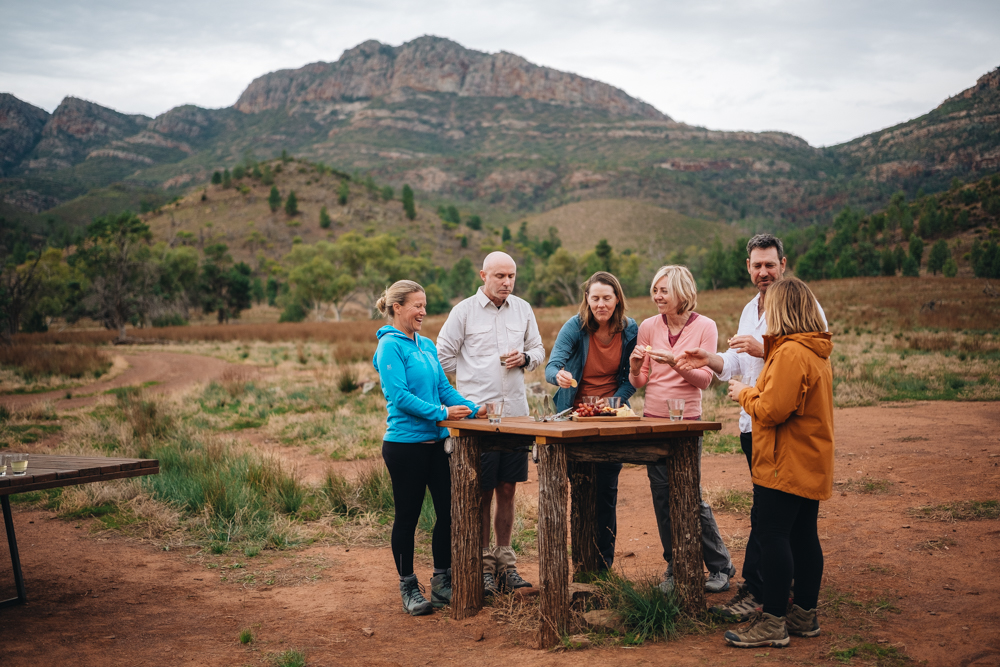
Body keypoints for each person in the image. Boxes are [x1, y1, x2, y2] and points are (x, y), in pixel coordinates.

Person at [674, 233, 827, 620]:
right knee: (775, 515)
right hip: (753, 426)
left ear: (783, 264)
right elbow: (738, 363)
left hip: (780, 425)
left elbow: (811, 350)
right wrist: (710, 358)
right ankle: (780, 591)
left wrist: (767, 349)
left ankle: (764, 593)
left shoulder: (803, 306)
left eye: (770, 265)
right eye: (757, 265)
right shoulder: (748, 309)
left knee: (773, 518)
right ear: (748, 267)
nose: (763, 272)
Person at [721, 277, 834, 648]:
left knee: (773, 535)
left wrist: (744, 393)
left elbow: (771, 409)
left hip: (783, 459)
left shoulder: (789, 354)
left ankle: (773, 622)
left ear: (783, 310)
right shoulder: (814, 350)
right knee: (803, 536)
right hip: (809, 458)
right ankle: (804, 614)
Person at [437, 251, 546, 595]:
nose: (507, 283)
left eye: (511, 276)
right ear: (482, 275)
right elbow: (442, 356)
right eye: (500, 276)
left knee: (508, 489)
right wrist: (468, 383)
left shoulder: (523, 309)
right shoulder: (463, 312)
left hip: (515, 413)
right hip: (477, 418)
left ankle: (506, 563)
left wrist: (527, 358)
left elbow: (539, 349)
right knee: (481, 491)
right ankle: (483, 565)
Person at [373, 280, 480, 616]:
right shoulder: (390, 347)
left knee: (449, 511)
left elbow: (442, 389)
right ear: (397, 307)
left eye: (424, 305)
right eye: (416, 305)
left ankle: (441, 580)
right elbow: (400, 397)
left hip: (437, 445)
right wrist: (443, 414)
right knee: (408, 517)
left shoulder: (426, 345)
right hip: (405, 446)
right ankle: (408, 586)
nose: (423, 311)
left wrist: (473, 407)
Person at [628, 265, 737, 593]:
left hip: (687, 422)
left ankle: (720, 566)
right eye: (655, 291)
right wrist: (635, 369)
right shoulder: (648, 326)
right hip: (653, 420)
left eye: (664, 291)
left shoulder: (705, 326)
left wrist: (675, 361)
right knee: (662, 497)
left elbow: (705, 379)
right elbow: (641, 381)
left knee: (690, 495)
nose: (657, 296)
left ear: (682, 292)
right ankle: (675, 566)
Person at [545, 271, 638, 570]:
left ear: (617, 299)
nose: (601, 304)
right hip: (576, 418)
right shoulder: (575, 326)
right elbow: (551, 367)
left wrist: (613, 402)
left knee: (607, 491)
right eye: (595, 298)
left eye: (607, 298)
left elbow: (631, 379)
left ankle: (603, 566)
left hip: (611, 417)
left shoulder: (630, 329)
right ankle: (582, 564)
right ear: (587, 299)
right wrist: (559, 376)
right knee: (581, 488)